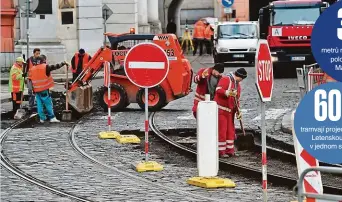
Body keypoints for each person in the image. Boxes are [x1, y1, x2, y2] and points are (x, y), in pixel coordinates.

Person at [214, 68, 247, 158]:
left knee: (230, 131)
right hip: (221, 110)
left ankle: (230, 150)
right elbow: (218, 90)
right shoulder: (226, 79)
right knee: (222, 131)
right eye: (242, 78)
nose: (242, 80)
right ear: (239, 76)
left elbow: (237, 100)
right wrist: (227, 92)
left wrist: (238, 111)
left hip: (230, 112)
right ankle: (221, 151)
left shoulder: (237, 85)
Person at [28, 54, 68, 123]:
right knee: (48, 103)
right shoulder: (45, 67)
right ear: (43, 61)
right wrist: (63, 63)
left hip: (36, 90)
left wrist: (32, 90)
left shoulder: (32, 69)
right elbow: (55, 67)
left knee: (39, 105)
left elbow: (29, 80)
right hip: (44, 90)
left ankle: (42, 118)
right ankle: (52, 117)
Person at [25, 48, 42, 113]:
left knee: (38, 92)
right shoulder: (29, 60)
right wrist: (25, 75)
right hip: (30, 78)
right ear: (34, 53)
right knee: (30, 92)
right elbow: (26, 69)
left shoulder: (40, 60)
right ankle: (30, 106)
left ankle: (39, 106)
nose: (38, 55)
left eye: (39, 53)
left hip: (38, 79)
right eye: (37, 53)